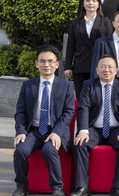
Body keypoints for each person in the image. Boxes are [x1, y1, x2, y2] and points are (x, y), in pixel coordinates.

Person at [13, 46, 76, 196]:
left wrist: (57, 133)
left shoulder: (66, 86)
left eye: (50, 61)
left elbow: (68, 112)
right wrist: (21, 131)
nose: (46, 65)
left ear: (57, 64)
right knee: (20, 151)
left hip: (55, 131)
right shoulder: (28, 85)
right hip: (33, 131)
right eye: (42, 61)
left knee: (49, 150)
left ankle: (58, 188)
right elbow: (20, 112)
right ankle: (21, 187)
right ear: (37, 64)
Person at [72, 55, 119, 196]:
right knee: (80, 143)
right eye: (103, 67)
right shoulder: (89, 85)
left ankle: (117, 187)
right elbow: (83, 107)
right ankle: (82, 187)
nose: (106, 70)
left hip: (116, 129)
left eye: (110, 67)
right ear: (96, 70)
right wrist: (83, 130)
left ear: (116, 70)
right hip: (94, 129)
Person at [66, 0, 113, 95]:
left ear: (98, 4)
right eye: (87, 0)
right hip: (80, 65)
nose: (90, 3)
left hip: (99, 65)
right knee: (81, 96)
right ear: (83, 4)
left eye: (94, 0)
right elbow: (70, 46)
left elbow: (110, 46)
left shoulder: (106, 22)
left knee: (98, 96)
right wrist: (68, 67)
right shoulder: (75, 23)